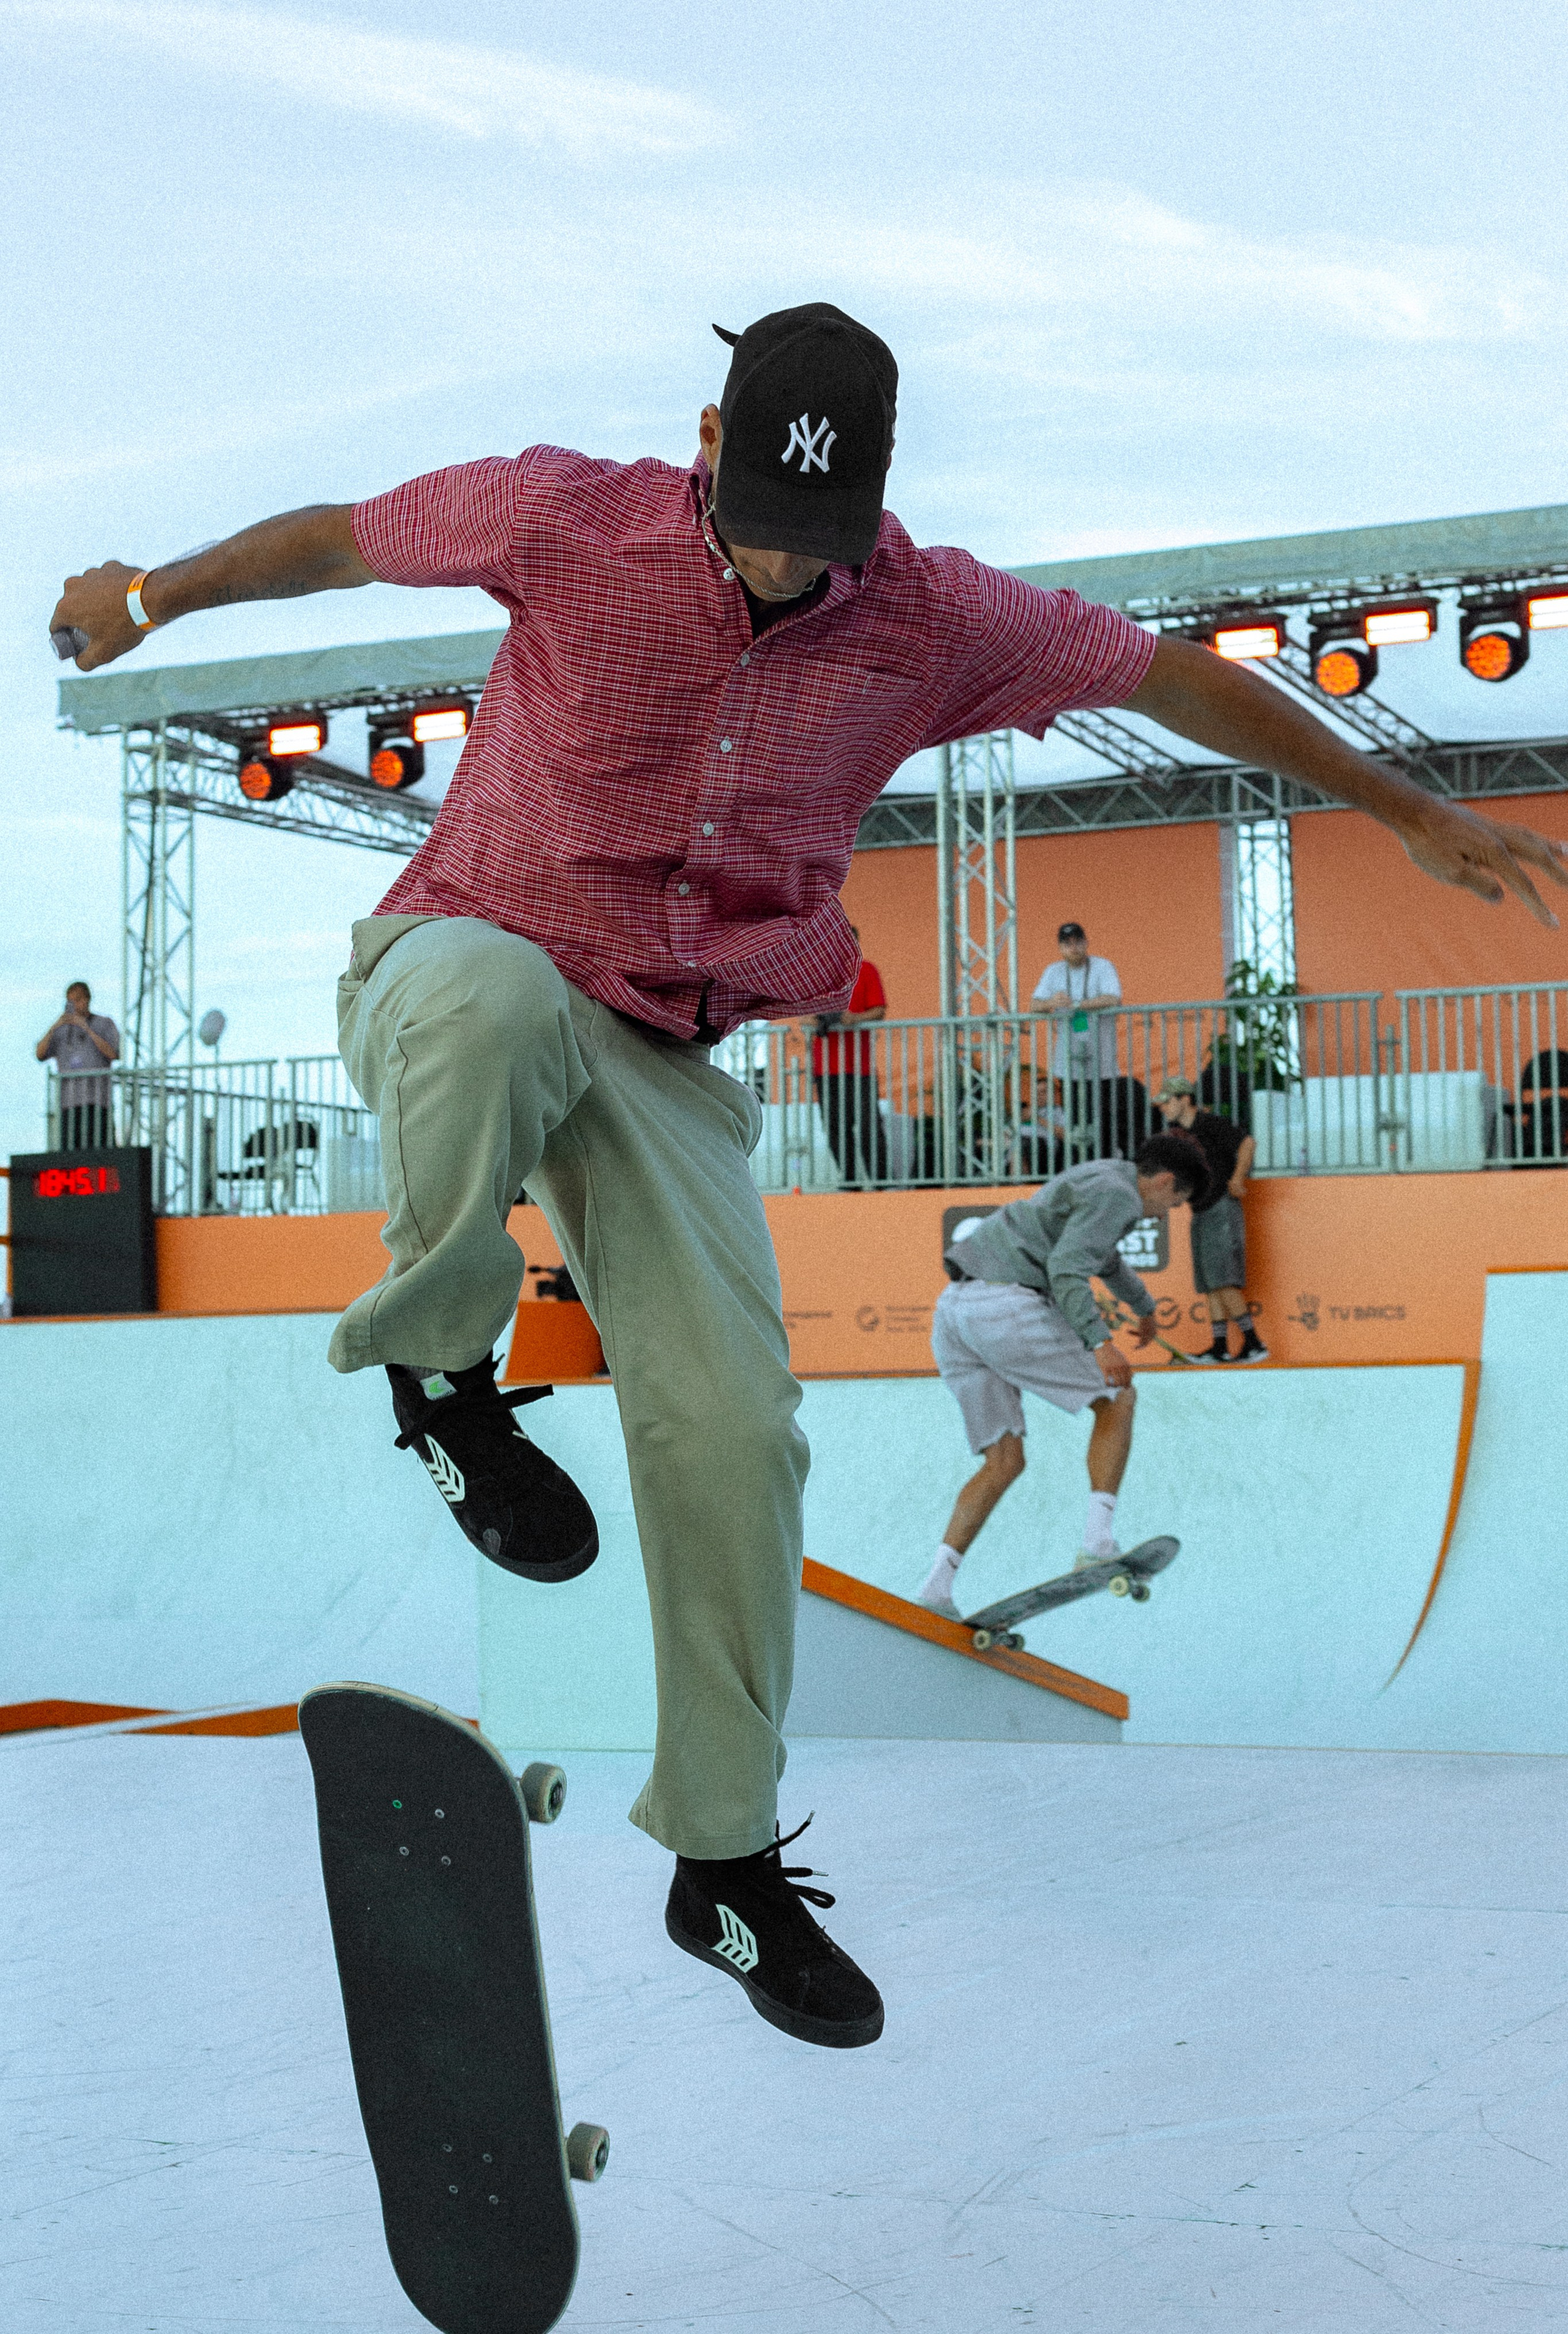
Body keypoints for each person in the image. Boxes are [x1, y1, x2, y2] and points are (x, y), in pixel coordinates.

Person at [52, 301, 1567, 2054]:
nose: (786, 572)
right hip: (476, 956)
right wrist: (150, 598)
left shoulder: (936, 613)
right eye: (763, 527)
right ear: (708, 441)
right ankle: (448, 1376)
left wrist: (1396, 807)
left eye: (820, 547)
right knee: (477, 988)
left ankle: (724, 1858)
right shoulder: (561, 514)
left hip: (671, 1057)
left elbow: (1176, 677)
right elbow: (335, 538)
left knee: (735, 1431)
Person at [919, 1135, 1208, 1619]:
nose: (1168, 1213)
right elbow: (1069, 1268)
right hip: (1005, 1307)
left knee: (1003, 1460)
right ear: (1163, 1181)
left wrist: (1144, 1306)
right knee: (1118, 1397)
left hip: (954, 1313)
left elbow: (1105, 1260)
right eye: (1174, 1202)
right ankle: (1097, 1540)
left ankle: (936, 1587)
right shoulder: (1121, 1196)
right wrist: (1101, 1343)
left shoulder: (1104, 1175)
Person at [1157, 1075, 1267, 1363]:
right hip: (1201, 1208)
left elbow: (1247, 1144)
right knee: (1209, 1282)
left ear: (1184, 1099)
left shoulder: (1211, 1125)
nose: (1163, 1108)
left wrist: (1237, 1178)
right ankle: (1219, 1347)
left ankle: (1254, 1343)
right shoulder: (1175, 1133)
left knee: (1223, 1280)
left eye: (1167, 1102)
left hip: (1221, 1205)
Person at [1030, 923, 1139, 1158]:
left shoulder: (1103, 966)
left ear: (1087, 943)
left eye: (1078, 942)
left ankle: (1108, 1162)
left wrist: (1076, 1005)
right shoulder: (1053, 971)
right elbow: (1034, 1005)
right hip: (1068, 1064)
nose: (1074, 947)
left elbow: (1113, 998)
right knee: (1077, 1122)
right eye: (1068, 944)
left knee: (1104, 1120)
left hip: (1103, 1064)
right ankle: (1084, 1167)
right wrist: (1052, 1003)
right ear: (1060, 947)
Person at [809, 925, 888, 1184]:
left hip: (859, 1066)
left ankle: (880, 1180)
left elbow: (879, 1010)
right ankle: (851, 1179)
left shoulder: (867, 970)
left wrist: (854, 1019)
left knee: (868, 1127)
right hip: (826, 1068)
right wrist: (819, 1021)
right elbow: (805, 1016)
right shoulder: (819, 973)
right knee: (835, 1128)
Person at [36, 982, 119, 1148]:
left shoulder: (104, 1024)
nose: (74, 1005)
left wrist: (86, 1028)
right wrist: (55, 1026)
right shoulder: (61, 1030)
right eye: (70, 1001)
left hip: (97, 1103)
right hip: (69, 1105)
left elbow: (114, 1053)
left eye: (77, 1000)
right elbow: (40, 1054)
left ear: (87, 999)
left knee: (101, 1151)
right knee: (71, 1155)